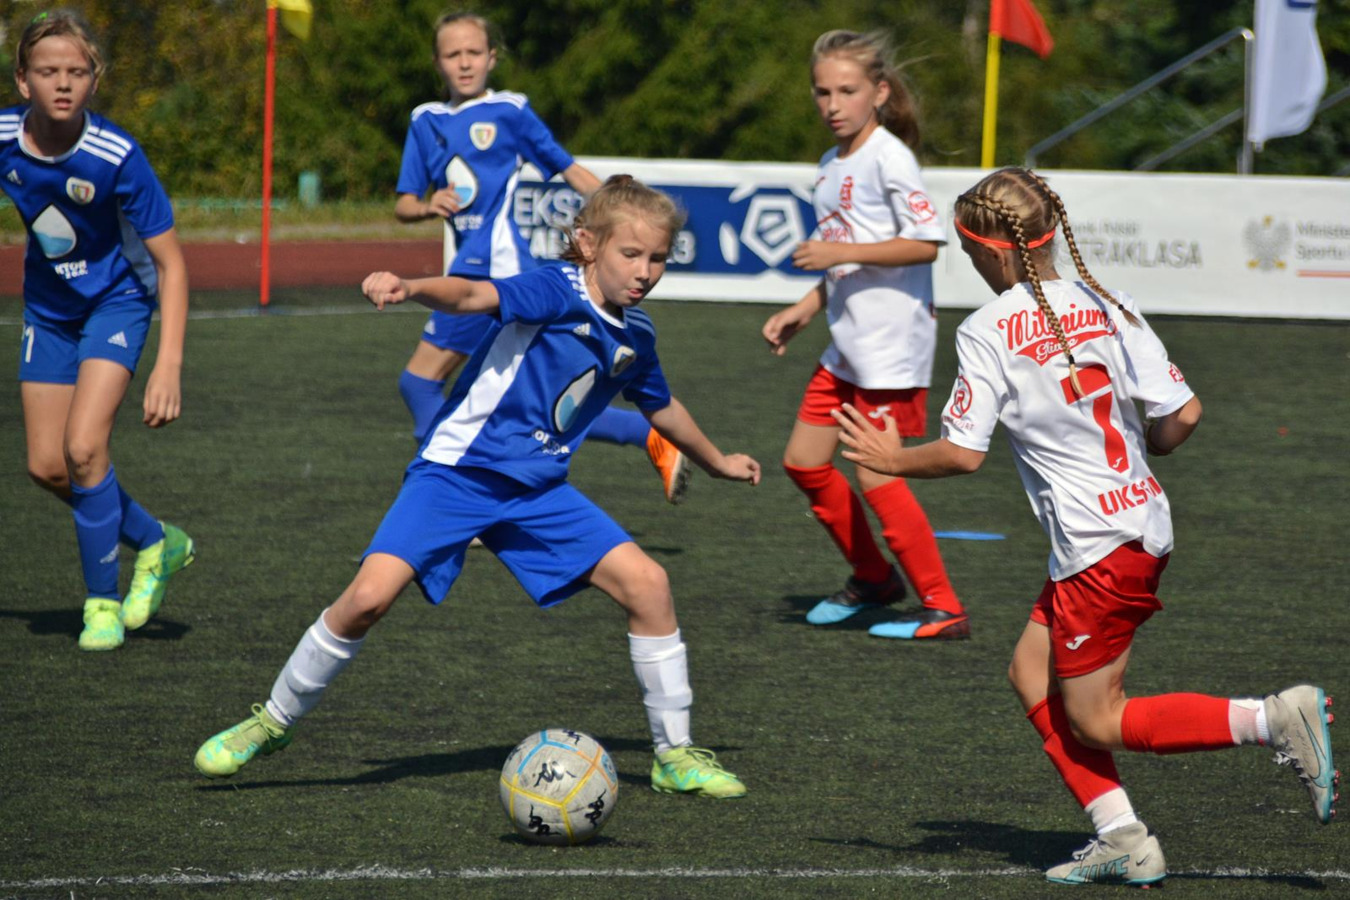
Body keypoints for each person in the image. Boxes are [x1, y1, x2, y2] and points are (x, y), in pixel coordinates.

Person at [833, 166, 1338, 886]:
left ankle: (1273, 718)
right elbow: (1184, 414)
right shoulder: (1108, 299)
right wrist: (1146, 447)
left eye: (968, 252)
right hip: (1137, 524)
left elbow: (963, 454)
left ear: (996, 252)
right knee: (1028, 672)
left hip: (1098, 547)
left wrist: (893, 459)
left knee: (1098, 718)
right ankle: (1122, 837)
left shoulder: (987, 329)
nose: (968, 263)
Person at [194, 176, 760, 799]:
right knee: (367, 600)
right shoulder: (555, 288)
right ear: (587, 244)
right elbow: (470, 293)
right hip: (456, 474)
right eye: (631, 254)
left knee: (649, 584)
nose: (644, 271)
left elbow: (662, 407)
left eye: (657, 258)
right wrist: (412, 287)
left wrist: (715, 461)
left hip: (537, 493)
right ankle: (272, 721)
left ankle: (673, 755)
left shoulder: (635, 334)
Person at [393, 11, 689, 504]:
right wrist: (427, 206)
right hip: (471, 264)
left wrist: (621, 208)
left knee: (419, 382)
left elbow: (567, 168)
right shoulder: (426, 120)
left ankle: (443, 494)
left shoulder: (509, 111)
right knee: (521, 395)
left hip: (501, 272)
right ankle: (648, 435)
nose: (464, 63)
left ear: (492, 58)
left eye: (473, 52)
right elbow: (403, 203)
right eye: (452, 54)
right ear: (438, 62)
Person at [762, 30, 967, 639]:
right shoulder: (829, 165)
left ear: (878, 92)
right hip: (847, 345)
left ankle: (944, 607)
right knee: (804, 463)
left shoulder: (889, 157)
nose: (833, 104)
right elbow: (845, 258)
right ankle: (874, 579)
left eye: (847, 91)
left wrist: (837, 253)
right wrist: (806, 306)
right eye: (822, 92)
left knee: (879, 475)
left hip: (890, 349)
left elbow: (925, 244)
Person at [2, 10, 195, 652]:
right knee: (46, 465)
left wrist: (168, 365)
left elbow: (171, 265)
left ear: (95, 78)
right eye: (47, 71)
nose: (63, 83)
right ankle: (157, 541)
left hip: (117, 303)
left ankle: (102, 604)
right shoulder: (4, 137)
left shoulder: (117, 155)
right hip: (48, 310)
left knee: (84, 449)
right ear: (22, 80)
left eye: (77, 72)